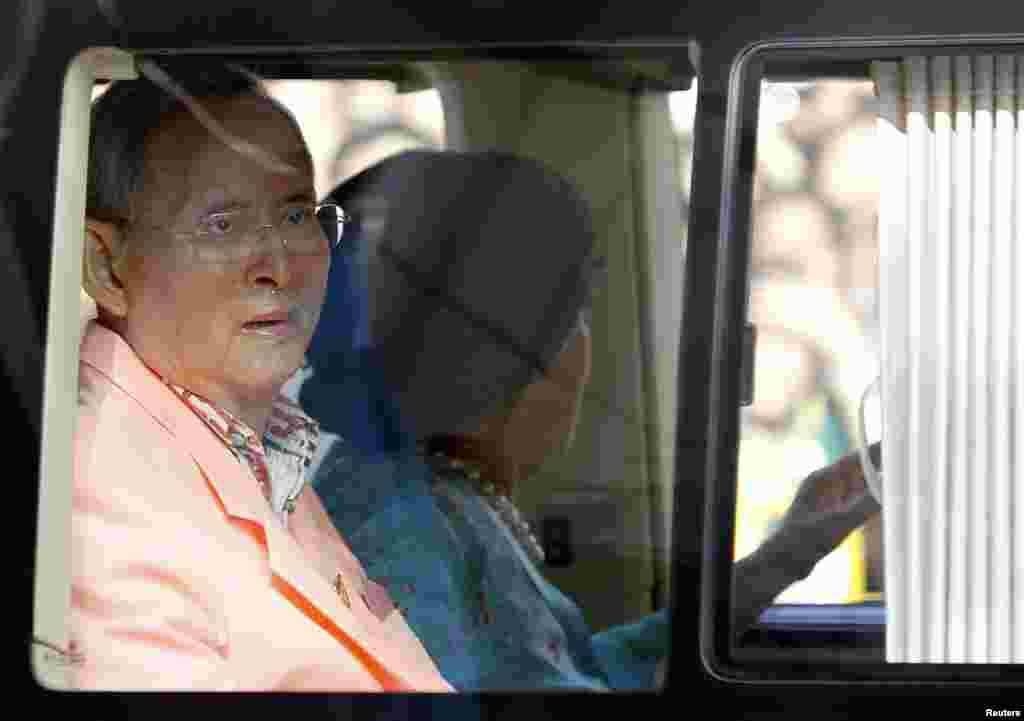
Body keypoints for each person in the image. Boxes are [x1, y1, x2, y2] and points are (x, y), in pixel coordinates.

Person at [293, 149, 881, 690]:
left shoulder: (432, 495)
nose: (583, 350)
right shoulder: (396, 531)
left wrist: (784, 556)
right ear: (517, 361)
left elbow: (580, 669)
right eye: (572, 322)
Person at [71, 60, 452, 691]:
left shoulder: (256, 439)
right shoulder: (99, 498)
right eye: (223, 225)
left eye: (298, 215)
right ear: (106, 266)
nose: (277, 263)